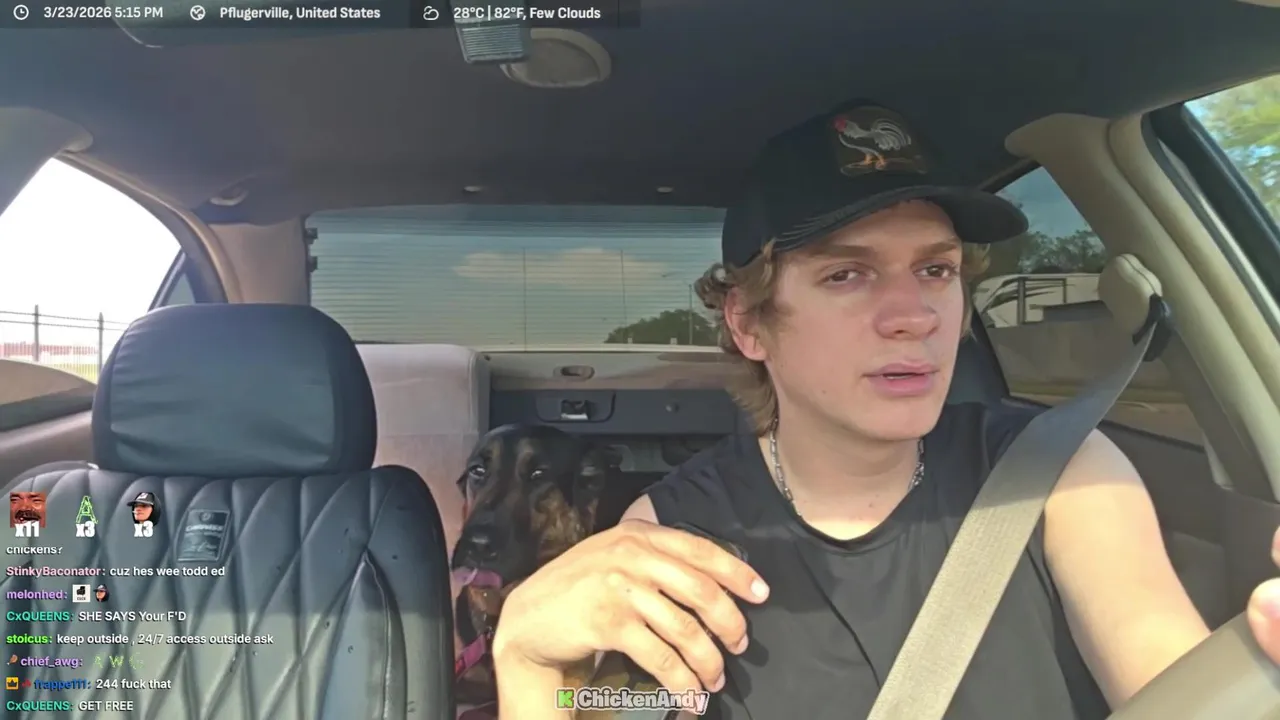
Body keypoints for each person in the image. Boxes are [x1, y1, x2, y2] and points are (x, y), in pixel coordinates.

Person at [490, 101, 1280, 718]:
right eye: (847, 275)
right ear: (749, 322)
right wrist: (528, 665)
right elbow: (616, 707)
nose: (915, 315)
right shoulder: (671, 534)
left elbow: (1173, 680)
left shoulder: (1061, 473)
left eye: (936, 270)